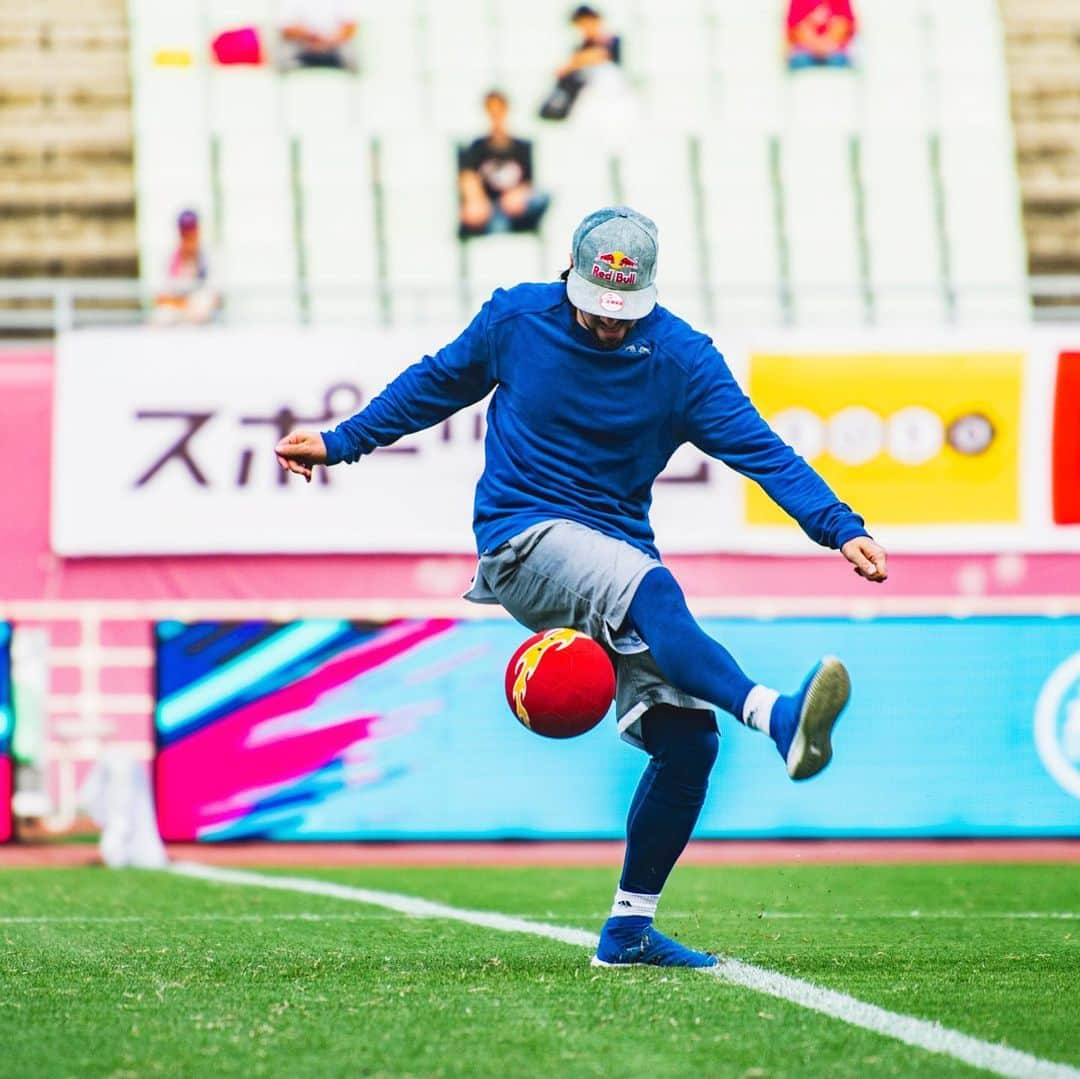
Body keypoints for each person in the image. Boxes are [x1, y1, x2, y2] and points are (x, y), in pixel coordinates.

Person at [275, 206, 889, 969]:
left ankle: (628, 929)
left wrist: (839, 525)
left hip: (614, 548)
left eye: (622, 314)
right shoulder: (517, 319)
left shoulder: (683, 361)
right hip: (521, 538)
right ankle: (777, 715)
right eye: (596, 309)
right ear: (571, 273)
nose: (607, 326)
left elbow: (763, 452)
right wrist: (342, 440)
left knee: (689, 741)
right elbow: (434, 384)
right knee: (655, 594)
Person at [459, 91, 550, 240]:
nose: (496, 117)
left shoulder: (521, 147)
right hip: (491, 208)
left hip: (516, 205)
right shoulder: (477, 147)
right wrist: (476, 200)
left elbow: (528, 182)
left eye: (499, 112)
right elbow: (468, 178)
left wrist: (518, 194)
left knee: (542, 197)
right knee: (497, 224)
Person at [540, 5, 622, 121]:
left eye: (586, 24)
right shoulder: (582, 46)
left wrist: (574, 63)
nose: (585, 29)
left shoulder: (613, 40)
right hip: (587, 97)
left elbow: (600, 56)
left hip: (611, 95)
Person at [152, 210, 219, 326]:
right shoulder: (169, 257)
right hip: (176, 314)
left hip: (199, 320)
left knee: (200, 306)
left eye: (191, 231)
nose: (188, 236)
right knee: (162, 316)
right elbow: (160, 297)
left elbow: (214, 297)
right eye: (185, 232)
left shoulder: (209, 257)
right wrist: (184, 305)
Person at [277, 0, 358, 72]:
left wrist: (328, 41)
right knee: (284, 56)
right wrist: (310, 37)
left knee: (351, 56)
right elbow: (285, 30)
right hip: (301, 47)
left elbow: (350, 28)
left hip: (335, 47)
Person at [786, 0, 856, 69]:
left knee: (839, 60)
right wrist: (814, 43)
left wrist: (828, 42)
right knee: (799, 60)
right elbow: (794, 28)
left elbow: (846, 25)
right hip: (805, 49)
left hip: (834, 48)